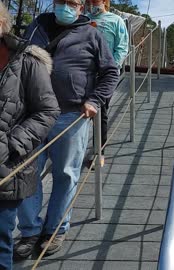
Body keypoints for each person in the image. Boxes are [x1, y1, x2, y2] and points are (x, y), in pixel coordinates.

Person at [14, 0, 118, 258]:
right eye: (62, 1)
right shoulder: (36, 27)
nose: (66, 7)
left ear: (81, 8)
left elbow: (110, 72)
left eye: (72, 3)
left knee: (66, 175)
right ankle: (29, 231)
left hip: (71, 116)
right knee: (25, 173)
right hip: (31, 114)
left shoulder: (92, 34)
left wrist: (94, 101)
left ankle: (55, 230)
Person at [0, 2, 60, 269]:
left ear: (2, 24)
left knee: (0, 241)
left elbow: (48, 110)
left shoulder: (27, 60)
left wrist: (13, 143)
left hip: (5, 167)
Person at [86, 0, 129, 166]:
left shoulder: (116, 20)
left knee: (100, 112)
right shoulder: (83, 19)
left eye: (95, 0)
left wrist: (110, 68)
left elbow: (122, 47)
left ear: (104, 2)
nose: (91, 3)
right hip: (83, 73)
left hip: (105, 74)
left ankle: (99, 153)